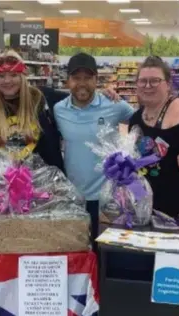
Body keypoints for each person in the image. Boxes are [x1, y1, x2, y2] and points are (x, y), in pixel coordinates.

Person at [53, 52, 135, 243]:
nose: (82, 83)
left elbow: (142, 122)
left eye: (88, 78)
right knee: (77, 249)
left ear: (97, 80)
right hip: (73, 197)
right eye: (76, 78)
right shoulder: (58, 109)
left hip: (108, 197)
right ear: (67, 81)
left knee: (105, 254)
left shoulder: (115, 105)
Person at [129, 56, 179, 223]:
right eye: (143, 81)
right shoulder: (136, 118)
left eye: (154, 81)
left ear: (168, 84)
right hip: (148, 209)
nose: (147, 86)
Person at [0, 50, 64, 171]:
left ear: (23, 76)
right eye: (1, 76)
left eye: (13, 75)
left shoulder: (43, 98)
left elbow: (79, 102)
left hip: (41, 185)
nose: (7, 81)